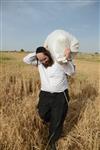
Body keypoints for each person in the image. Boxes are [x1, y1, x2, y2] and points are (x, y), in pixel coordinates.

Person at [23, 46, 75, 150]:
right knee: (42, 114)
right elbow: (26, 59)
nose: (43, 62)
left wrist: (68, 58)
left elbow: (72, 72)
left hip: (60, 96)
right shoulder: (40, 63)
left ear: (49, 54)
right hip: (45, 95)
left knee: (57, 120)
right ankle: (51, 121)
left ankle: (52, 143)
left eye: (45, 59)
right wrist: (38, 53)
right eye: (40, 60)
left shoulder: (60, 62)